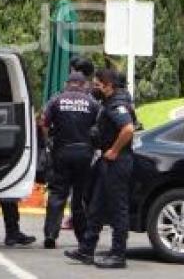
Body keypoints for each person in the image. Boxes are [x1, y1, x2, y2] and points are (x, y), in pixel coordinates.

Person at [65, 69, 136, 269]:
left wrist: (114, 150)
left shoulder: (117, 104)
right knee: (96, 206)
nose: (94, 88)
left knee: (117, 210)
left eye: (97, 85)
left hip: (117, 161)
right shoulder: (111, 102)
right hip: (107, 161)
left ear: (109, 85)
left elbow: (128, 129)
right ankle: (86, 249)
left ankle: (118, 254)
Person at [41, 72, 101, 248]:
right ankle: (82, 237)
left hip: (61, 152)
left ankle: (51, 234)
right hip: (84, 154)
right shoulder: (92, 103)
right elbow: (100, 127)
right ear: (83, 85)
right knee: (80, 196)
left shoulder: (56, 100)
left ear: (67, 83)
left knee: (57, 193)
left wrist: (49, 142)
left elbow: (43, 122)